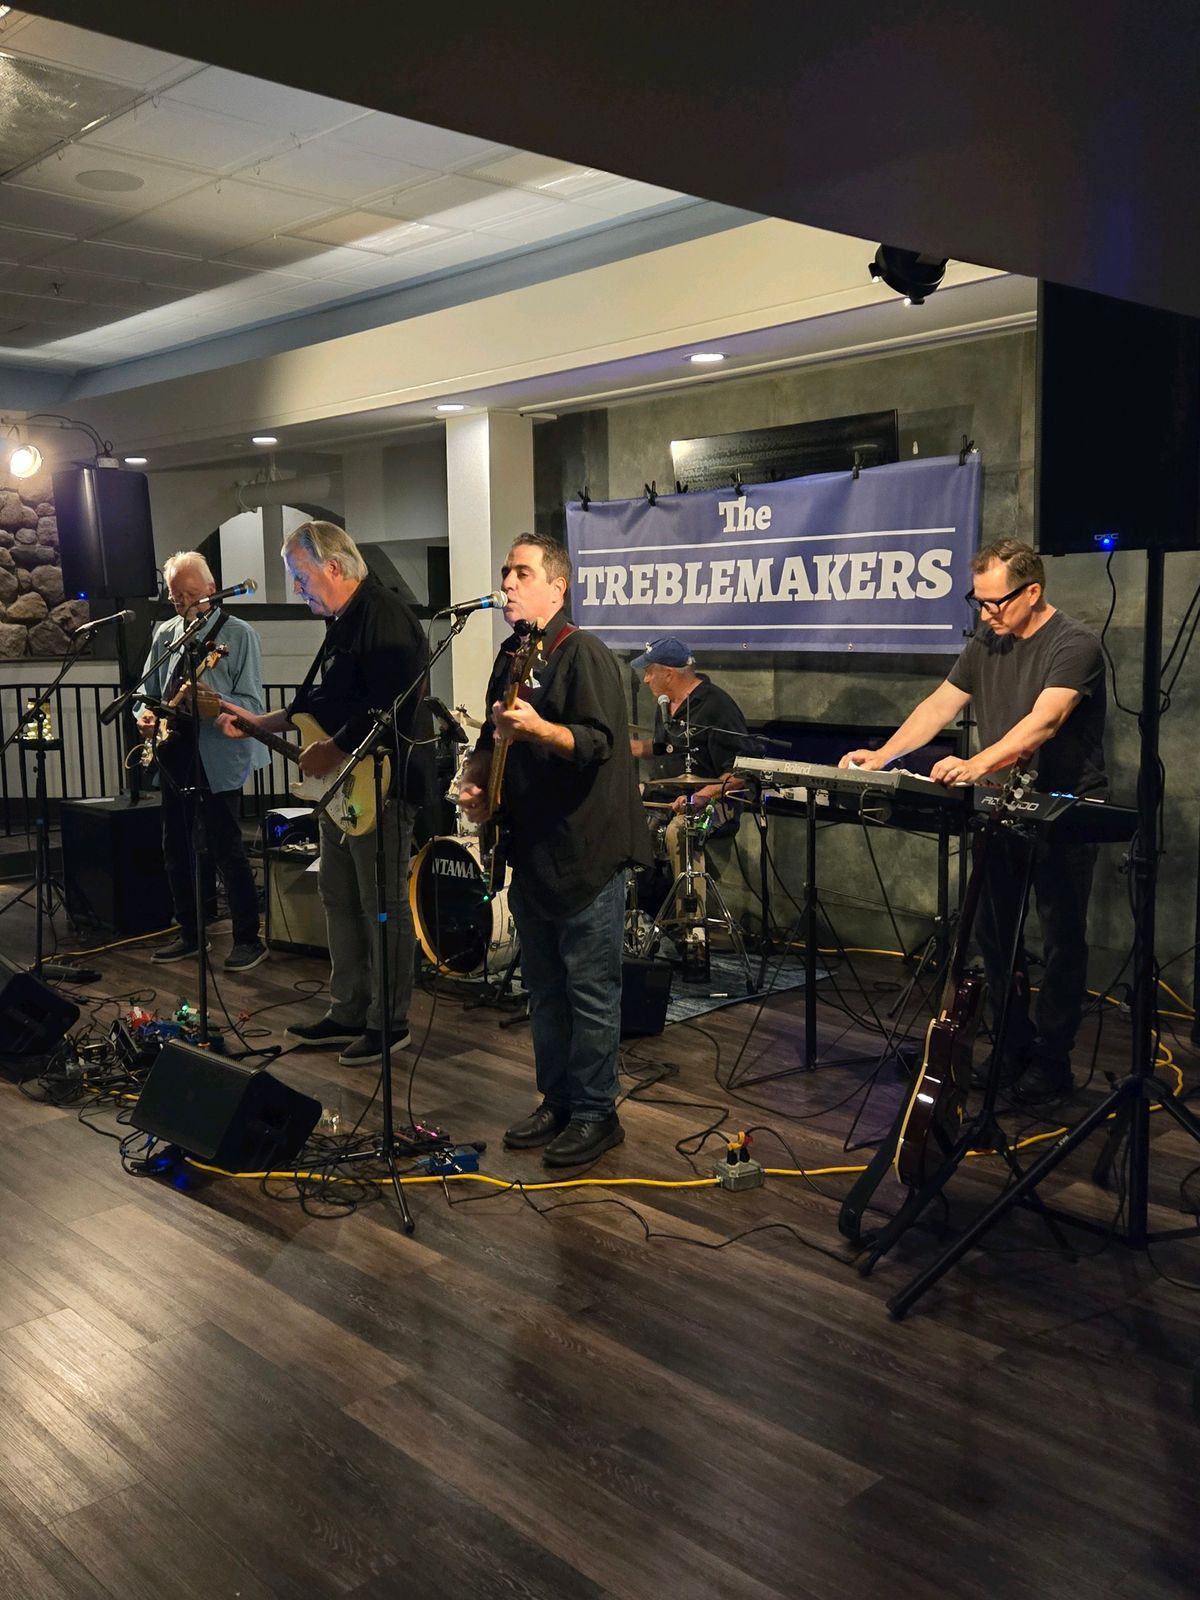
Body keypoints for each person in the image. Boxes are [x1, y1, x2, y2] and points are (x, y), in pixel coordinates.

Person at [840, 538, 1107, 1103]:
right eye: (978, 602)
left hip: (1064, 810)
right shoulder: (988, 640)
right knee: (993, 934)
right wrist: (883, 755)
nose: (986, 614)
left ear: (1032, 592)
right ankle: (1010, 1046)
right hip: (1000, 807)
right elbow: (940, 704)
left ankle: (1053, 1062)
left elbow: (1046, 720)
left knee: (1061, 938)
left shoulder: (1075, 643)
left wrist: (977, 763)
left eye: (996, 602)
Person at [457, 534, 651, 1167]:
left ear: (557, 587)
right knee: (542, 988)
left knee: (589, 991)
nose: (507, 583)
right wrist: (479, 780)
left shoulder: (582, 652)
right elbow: (492, 737)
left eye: (522, 573)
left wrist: (540, 728)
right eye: (505, 572)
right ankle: (558, 1099)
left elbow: (598, 742)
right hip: (533, 849)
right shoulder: (514, 653)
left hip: (585, 851)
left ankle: (597, 1112)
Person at [218, 522, 431, 1067]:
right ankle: (348, 1009)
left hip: (383, 784)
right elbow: (320, 701)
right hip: (343, 786)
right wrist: (258, 722)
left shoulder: (385, 616)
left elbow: (391, 706)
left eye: (300, 575)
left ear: (333, 567)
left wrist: (334, 748)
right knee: (337, 895)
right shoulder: (342, 621)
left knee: (381, 905)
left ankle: (389, 1022)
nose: (296, 587)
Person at [135, 552, 269, 971]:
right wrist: (144, 715)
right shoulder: (166, 633)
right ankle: (190, 932)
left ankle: (248, 938)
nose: (183, 602)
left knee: (226, 846)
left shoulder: (239, 634)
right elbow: (146, 691)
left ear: (212, 589)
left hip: (217, 751)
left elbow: (253, 704)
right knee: (174, 845)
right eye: (175, 596)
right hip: (174, 750)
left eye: (190, 594)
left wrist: (215, 701)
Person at [628, 636, 748, 919]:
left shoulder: (717, 705)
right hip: (668, 795)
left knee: (681, 830)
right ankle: (639, 910)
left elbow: (741, 772)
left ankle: (691, 925)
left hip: (717, 803)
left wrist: (701, 796)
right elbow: (663, 748)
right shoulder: (665, 704)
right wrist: (622, 747)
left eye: (649, 671)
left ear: (668, 673)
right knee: (620, 801)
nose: (645, 679)